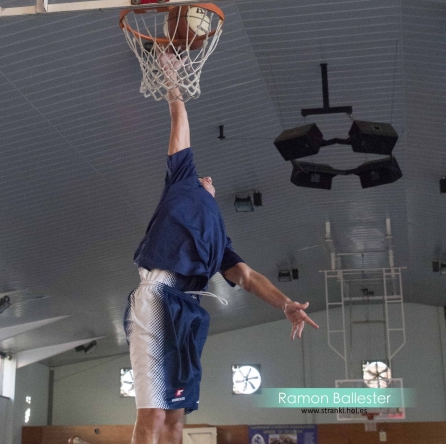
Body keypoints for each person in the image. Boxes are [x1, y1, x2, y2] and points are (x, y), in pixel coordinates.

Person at [124, 56, 319, 444]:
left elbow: (247, 277)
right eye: (204, 176)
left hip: (190, 310)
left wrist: (285, 304)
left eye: (210, 179)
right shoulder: (181, 182)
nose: (208, 177)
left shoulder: (218, 239)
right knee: (155, 412)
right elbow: (179, 120)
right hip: (159, 296)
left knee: (176, 418)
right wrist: (172, 78)